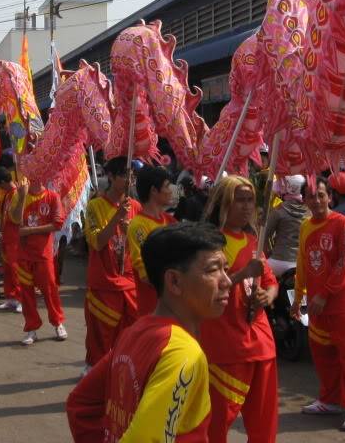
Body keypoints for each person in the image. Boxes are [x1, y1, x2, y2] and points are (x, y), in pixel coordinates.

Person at [66, 222, 231, 442]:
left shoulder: (134, 331)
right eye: (212, 270)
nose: (227, 281)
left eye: (225, 269)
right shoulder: (182, 353)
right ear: (174, 281)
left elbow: (81, 404)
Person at [200, 175, 279, 442]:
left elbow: (271, 283)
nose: (246, 207)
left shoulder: (254, 242)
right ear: (224, 203)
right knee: (218, 422)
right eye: (239, 200)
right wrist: (242, 273)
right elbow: (206, 292)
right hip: (225, 346)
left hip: (261, 342)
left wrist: (267, 295)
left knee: (264, 422)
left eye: (250, 201)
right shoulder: (210, 244)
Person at [292, 176, 345, 432]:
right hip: (315, 302)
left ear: (330, 197)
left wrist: (325, 294)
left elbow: (344, 262)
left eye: (320, 195)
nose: (316, 200)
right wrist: (299, 296)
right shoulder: (305, 226)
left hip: (340, 301)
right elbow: (302, 262)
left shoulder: (342, 223)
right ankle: (330, 400)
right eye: (311, 196)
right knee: (321, 352)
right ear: (304, 200)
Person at [82, 156, 140, 368]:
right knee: (100, 337)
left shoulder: (136, 206)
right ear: (111, 176)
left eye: (132, 175)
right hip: (104, 281)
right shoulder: (95, 206)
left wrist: (130, 232)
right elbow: (96, 242)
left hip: (129, 281)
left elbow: (142, 246)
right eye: (124, 175)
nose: (129, 180)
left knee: (128, 336)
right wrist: (116, 218)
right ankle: (94, 372)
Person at [11, 176, 67, 345]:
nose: (35, 176)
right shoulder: (19, 195)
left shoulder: (52, 196)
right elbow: (14, 220)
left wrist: (29, 231)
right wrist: (21, 197)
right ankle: (31, 328)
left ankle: (58, 323)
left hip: (43, 254)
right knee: (26, 293)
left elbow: (57, 223)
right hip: (23, 254)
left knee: (49, 290)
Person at [127, 165, 177, 317]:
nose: (171, 190)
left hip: (175, 305)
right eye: (167, 186)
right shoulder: (138, 226)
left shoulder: (171, 221)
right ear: (154, 191)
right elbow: (147, 274)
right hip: (153, 309)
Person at [0, 167, 22, 312]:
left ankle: (21, 299)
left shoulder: (19, 194)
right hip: (6, 236)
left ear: (3, 182)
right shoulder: (8, 194)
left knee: (16, 270)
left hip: (16, 238)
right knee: (8, 270)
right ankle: (10, 298)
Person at [264, 174, 306, 277]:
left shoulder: (278, 210)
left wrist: (268, 252)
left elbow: (264, 235)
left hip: (277, 262)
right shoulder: (311, 210)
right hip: (303, 264)